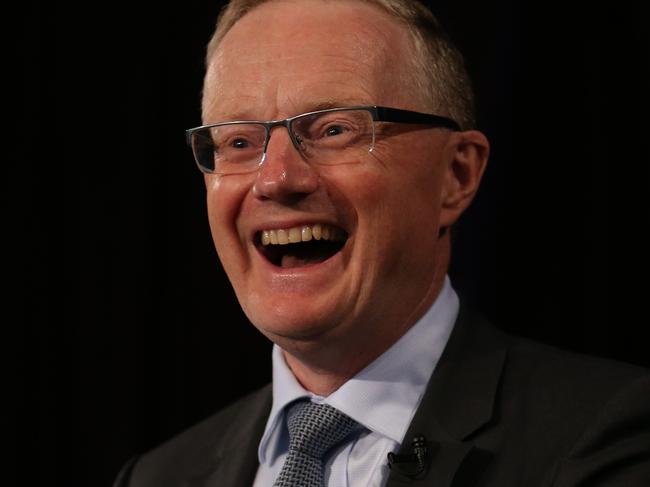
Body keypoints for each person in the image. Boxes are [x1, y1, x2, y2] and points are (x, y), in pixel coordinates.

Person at [114, 0, 650, 485]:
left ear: (456, 176)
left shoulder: (606, 437)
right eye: (237, 141)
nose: (276, 179)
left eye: (334, 130)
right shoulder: (158, 477)